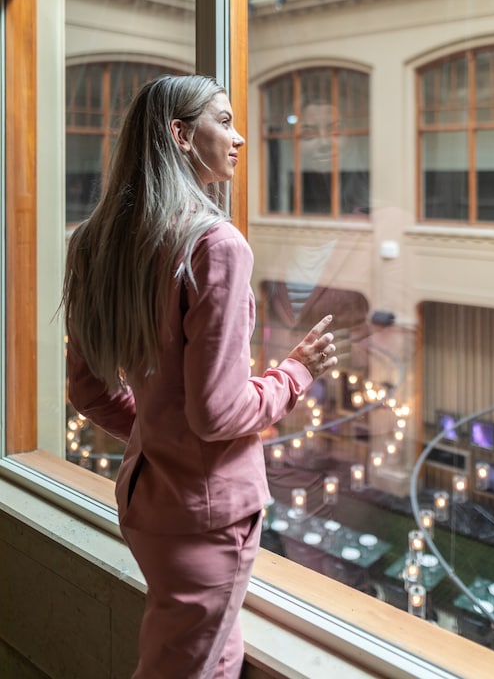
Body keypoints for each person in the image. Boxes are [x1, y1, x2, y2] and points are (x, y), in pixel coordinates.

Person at [63, 74, 337, 679]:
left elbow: (87, 389)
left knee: (215, 659)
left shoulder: (96, 240)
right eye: (224, 121)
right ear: (180, 135)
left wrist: (159, 433)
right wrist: (295, 373)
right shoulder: (216, 245)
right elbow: (216, 413)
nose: (239, 138)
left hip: (145, 500)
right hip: (203, 517)